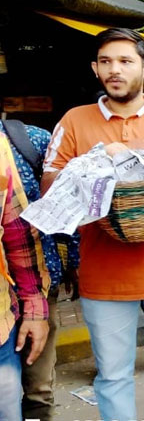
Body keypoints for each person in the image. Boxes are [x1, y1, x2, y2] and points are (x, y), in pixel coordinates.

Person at [41, 28, 144, 421]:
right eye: (105, 62)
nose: (115, 70)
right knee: (112, 377)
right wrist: (97, 162)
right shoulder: (74, 121)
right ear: (95, 69)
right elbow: (51, 183)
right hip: (104, 274)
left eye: (125, 61)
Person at [0, 120, 80, 421]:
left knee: (38, 389)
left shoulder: (31, 140)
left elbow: (67, 205)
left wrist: (74, 261)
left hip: (38, 283)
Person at [0, 131, 50, 421]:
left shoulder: (5, 146)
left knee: (36, 392)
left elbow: (18, 233)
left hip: (2, 328)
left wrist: (34, 308)